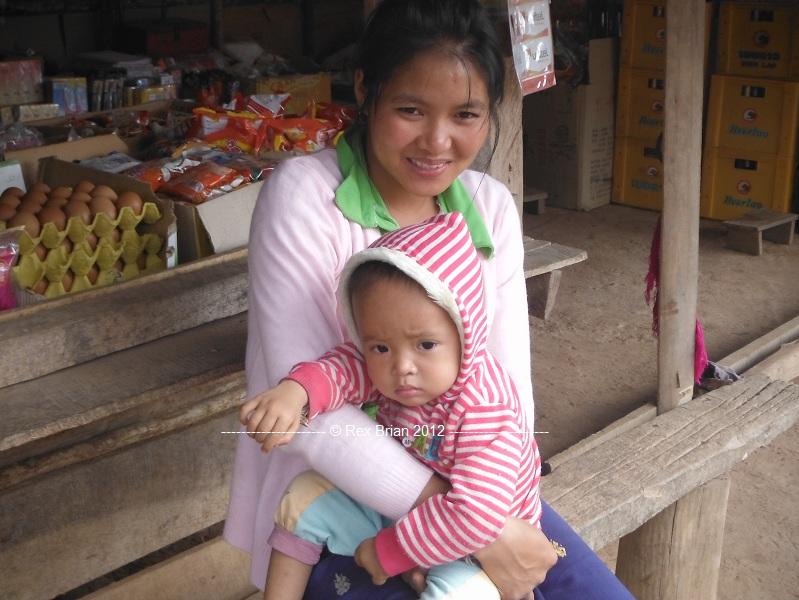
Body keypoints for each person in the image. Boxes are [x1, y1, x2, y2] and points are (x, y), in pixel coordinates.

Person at [225, 1, 635, 598]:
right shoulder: (305, 197)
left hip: (472, 490)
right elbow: (314, 418)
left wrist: (491, 514)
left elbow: (508, 388)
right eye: (411, 110)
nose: (437, 141)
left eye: (466, 114)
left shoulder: (489, 205)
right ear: (365, 90)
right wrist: (473, 533)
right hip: (340, 495)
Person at [242, 212, 543, 599]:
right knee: (303, 496)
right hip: (407, 515)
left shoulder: (485, 410)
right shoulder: (394, 372)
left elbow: (475, 517)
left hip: (479, 554)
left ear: (465, 332)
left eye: (425, 345)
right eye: (380, 346)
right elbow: (344, 368)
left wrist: (390, 553)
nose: (402, 367)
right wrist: (297, 391)